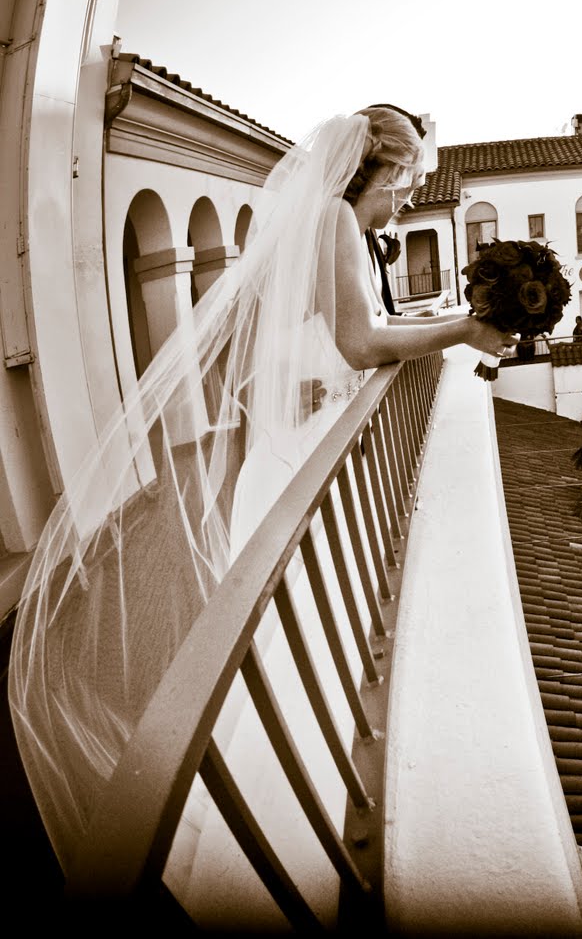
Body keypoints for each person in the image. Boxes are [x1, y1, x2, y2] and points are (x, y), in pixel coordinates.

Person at [7, 106, 519, 859]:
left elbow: (344, 332)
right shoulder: (336, 219)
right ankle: (267, 795)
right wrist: (465, 330)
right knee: (297, 600)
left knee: (300, 604)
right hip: (300, 449)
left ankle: (289, 767)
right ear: (376, 170)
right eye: (405, 181)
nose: (408, 197)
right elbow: (359, 342)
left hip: (302, 436)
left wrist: (445, 321)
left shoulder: (340, 227)